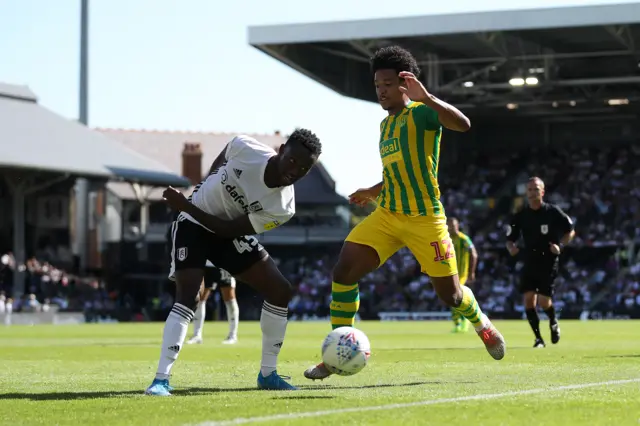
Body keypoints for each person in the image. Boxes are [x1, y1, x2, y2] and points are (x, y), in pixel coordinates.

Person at [304, 46, 506, 381]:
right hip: (387, 215)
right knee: (343, 271)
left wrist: (427, 98)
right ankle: (336, 354)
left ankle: (482, 325)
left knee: (451, 295)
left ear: (404, 83)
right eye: (376, 84)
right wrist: (373, 191)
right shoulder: (385, 127)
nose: (380, 90)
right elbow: (399, 172)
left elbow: (464, 124)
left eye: (386, 83)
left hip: (426, 219)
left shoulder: (422, 114)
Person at [145, 129, 321, 396]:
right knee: (189, 296)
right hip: (192, 225)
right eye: (293, 160)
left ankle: (268, 374)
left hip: (224, 232)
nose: (295, 170)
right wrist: (205, 186)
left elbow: (228, 230)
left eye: (305, 168)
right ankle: (161, 380)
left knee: (280, 290)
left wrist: (185, 205)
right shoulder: (246, 147)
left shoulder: (283, 207)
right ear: (282, 149)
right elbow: (227, 150)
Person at [506, 176, 575, 348]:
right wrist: (511, 247)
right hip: (529, 259)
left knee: (544, 301)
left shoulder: (552, 212)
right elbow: (510, 239)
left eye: (536, 189)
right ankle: (538, 339)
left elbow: (570, 231)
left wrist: (560, 245)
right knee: (529, 299)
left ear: (542, 192)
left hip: (548, 260)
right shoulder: (521, 215)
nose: (532, 192)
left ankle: (553, 321)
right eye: (529, 189)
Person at [186, 262, 239, 345]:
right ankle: (197, 335)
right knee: (200, 298)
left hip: (224, 263)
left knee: (229, 298)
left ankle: (232, 335)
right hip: (207, 264)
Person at [447, 217, 478, 333]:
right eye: (449, 225)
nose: (451, 228)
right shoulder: (446, 239)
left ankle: (462, 321)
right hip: (449, 274)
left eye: (453, 225)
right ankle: (459, 322)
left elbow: (474, 254)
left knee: (454, 295)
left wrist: (472, 272)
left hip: (461, 274)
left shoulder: (464, 239)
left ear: (457, 226)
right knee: (451, 298)